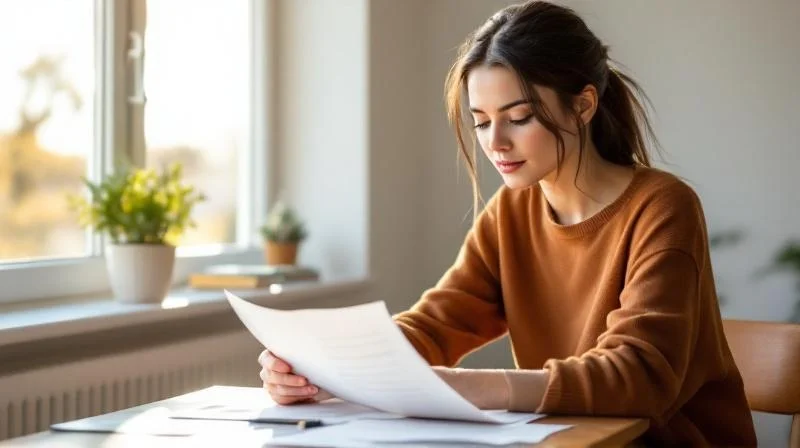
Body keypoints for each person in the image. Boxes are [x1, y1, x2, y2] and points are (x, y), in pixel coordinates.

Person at [258, 0, 757, 445]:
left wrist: (474, 386)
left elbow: (641, 375)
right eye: (480, 120)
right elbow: (437, 322)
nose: (494, 142)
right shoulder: (510, 213)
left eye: (518, 117)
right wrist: (328, 368)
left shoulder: (662, 206)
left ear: (583, 105)